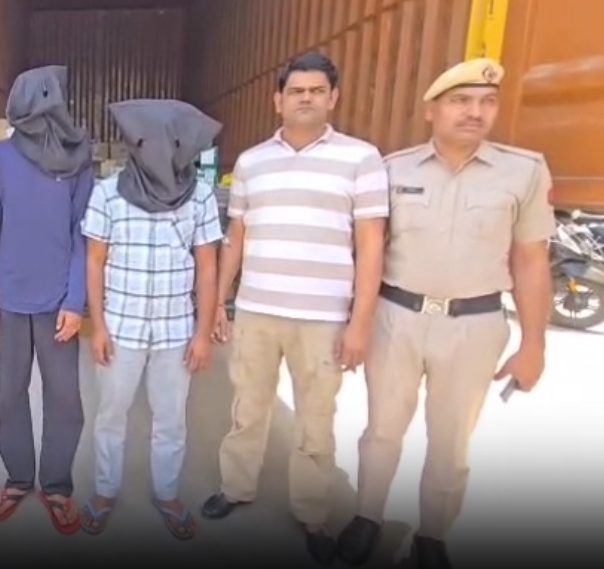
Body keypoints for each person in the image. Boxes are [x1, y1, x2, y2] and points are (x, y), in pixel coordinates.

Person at [334, 58, 553, 569]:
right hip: (396, 317)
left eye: (487, 102)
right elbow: (367, 251)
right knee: (382, 429)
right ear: (431, 110)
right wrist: (356, 323)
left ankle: (432, 535)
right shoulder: (393, 170)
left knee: (451, 444)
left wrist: (534, 344)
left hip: (475, 325)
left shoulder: (524, 171)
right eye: (460, 101)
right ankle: (367, 516)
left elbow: (531, 260)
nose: (475, 112)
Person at [200, 51, 389, 564]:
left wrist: (360, 323)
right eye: (296, 91)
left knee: (315, 419)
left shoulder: (361, 159)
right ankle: (236, 487)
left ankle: (312, 514)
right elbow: (236, 238)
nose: (306, 98)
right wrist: (218, 303)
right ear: (278, 100)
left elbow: (371, 246)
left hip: (324, 319)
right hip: (257, 310)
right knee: (248, 408)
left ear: (333, 97)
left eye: (316, 91)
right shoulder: (251, 163)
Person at [78, 98, 223, 540]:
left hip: (176, 331)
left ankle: (167, 493)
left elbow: (207, 266)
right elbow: (94, 261)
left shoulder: (200, 196)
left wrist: (202, 333)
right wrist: (98, 327)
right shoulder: (108, 193)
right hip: (120, 328)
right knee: (111, 416)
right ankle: (105, 490)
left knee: (171, 420)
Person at [0, 65, 93, 534]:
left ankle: (57, 484)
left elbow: (83, 234)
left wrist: (75, 300)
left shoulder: (78, 159)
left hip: (58, 301)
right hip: (10, 299)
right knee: (10, 394)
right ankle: (18, 477)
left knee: (65, 397)